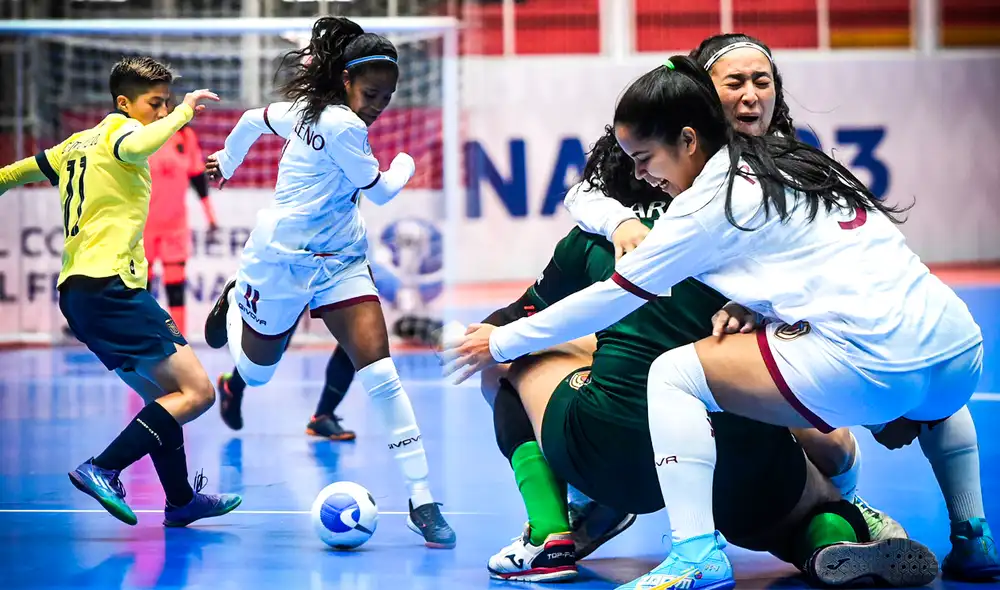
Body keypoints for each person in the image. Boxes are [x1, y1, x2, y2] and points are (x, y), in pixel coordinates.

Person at [444, 55, 986, 589]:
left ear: (688, 139)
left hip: (860, 366)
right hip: (958, 357)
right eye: (735, 82)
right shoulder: (797, 163)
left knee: (673, 375)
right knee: (803, 414)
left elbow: (613, 296)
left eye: (645, 156)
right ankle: (953, 532)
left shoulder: (703, 204)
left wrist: (502, 340)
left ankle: (691, 552)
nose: (639, 172)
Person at [201, 16, 455, 548]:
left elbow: (251, 120)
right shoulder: (343, 125)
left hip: (341, 260)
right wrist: (407, 163)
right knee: (258, 373)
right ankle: (233, 305)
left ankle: (421, 497)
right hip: (281, 262)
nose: (379, 104)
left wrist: (227, 158)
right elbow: (383, 192)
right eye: (370, 92)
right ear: (344, 81)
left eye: (388, 96)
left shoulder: (302, 112)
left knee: (382, 375)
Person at [0, 56, 240, 527]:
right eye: (154, 103)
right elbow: (141, 142)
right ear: (123, 103)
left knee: (166, 399)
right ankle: (103, 468)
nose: (161, 111)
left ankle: (180, 500)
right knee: (198, 393)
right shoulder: (121, 135)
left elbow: (9, 175)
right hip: (113, 288)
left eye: (166, 102)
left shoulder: (74, 144)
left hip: (78, 295)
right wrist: (185, 112)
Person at [145, 95, 217, 336]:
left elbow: (198, 178)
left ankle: (179, 339)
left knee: (175, 286)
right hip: (143, 227)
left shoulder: (185, 139)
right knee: (140, 287)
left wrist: (210, 215)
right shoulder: (141, 137)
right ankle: (141, 337)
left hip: (175, 226)